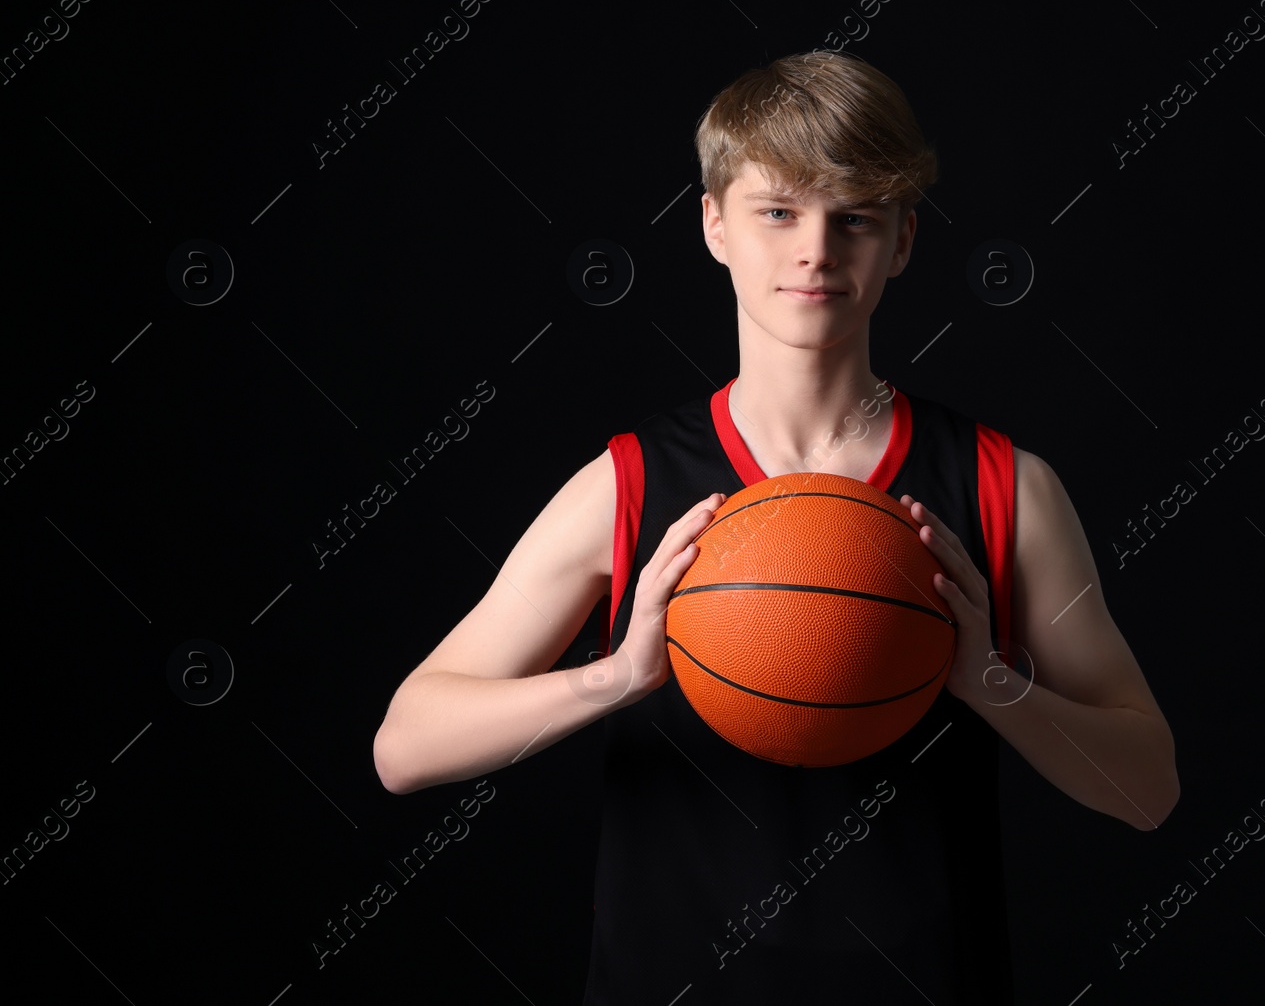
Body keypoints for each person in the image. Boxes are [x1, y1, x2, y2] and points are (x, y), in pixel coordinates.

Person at [373, 49, 1179, 1003]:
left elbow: (1148, 788)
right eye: (779, 211)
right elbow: (405, 747)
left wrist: (990, 684)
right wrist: (614, 677)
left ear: (903, 242)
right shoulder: (629, 485)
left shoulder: (1004, 486)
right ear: (713, 223)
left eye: (857, 218)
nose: (817, 250)